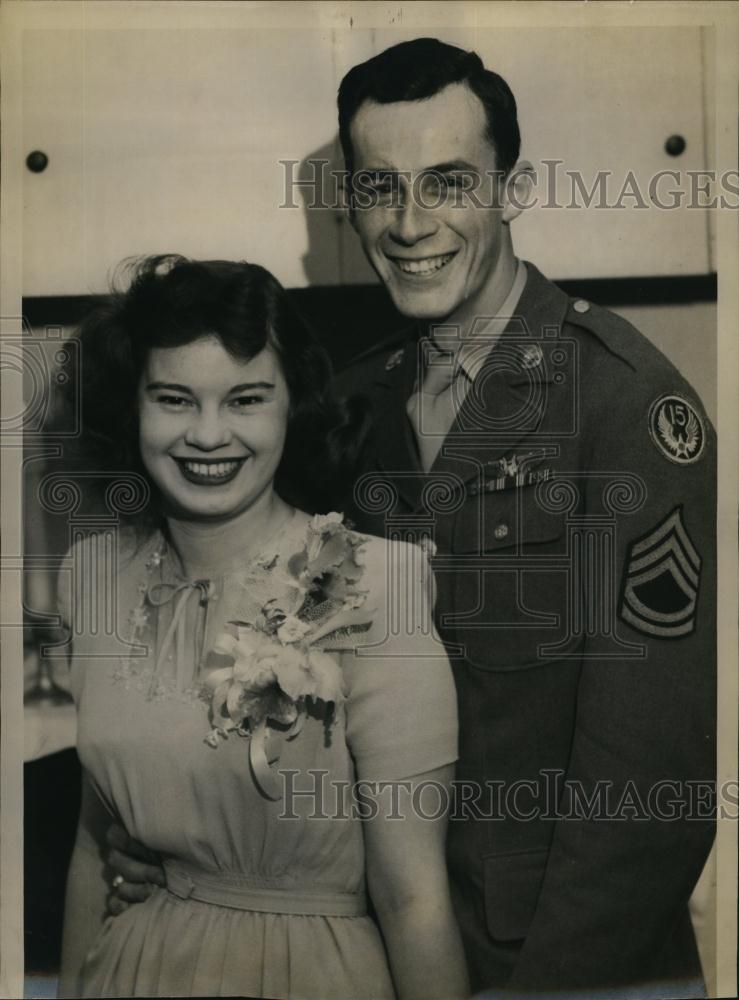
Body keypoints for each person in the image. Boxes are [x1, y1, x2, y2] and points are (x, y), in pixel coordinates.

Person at [107, 38, 717, 998]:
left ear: (508, 188)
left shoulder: (620, 404)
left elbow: (651, 791)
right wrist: (142, 835)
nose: (409, 222)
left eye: (446, 182)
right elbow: (247, 669)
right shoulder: (348, 410)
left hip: (568, 966)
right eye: (380, 188)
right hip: (381, 954)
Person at [56, 255, 469, 999]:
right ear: (134, 408)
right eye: (174, 399)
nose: (208, 435)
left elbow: (415, 898)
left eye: (245, 398)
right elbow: (94, 843)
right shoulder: (93, 576)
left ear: (292, 405)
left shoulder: (377, 585)